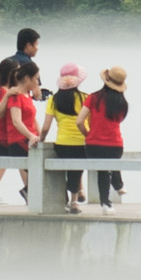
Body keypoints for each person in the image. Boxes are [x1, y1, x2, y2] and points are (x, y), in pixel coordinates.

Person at [0, 56, 40, 204]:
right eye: (16, 71)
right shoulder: (2, 92)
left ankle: (29, 191)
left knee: (19, 164)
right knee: (10, 162)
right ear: (10, 73)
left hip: (8, 135)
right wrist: (8, 95)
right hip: (1, 137)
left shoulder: (12, 92)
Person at [47, 63, 91, 210]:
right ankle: (74, 201)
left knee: (64, 169)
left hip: (62, 144)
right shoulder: (85, 98)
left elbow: (46, 126)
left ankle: (65, 197)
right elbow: (90, 122)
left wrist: (39, 139)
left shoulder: (53, 100)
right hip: (81, 143)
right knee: (76, 171)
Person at [85, 67, 129, 208]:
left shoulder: (93, 98)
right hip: (116, 145)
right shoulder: (123, 104)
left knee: (103, 171)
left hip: (94, 145)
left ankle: (106, 202)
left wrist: (88, 133)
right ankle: (118, 184)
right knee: (111, 161)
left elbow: (79, 121)